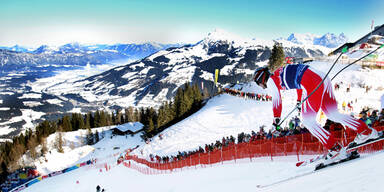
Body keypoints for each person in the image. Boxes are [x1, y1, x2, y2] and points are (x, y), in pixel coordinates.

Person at [253, 64, 379, 165]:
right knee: (333, 114)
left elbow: (276, 100)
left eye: (258, 83)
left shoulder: (270, 81)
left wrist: (276, 121)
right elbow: (297, 81)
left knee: (308, 121)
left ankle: (335, 149)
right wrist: (298, 100)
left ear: (261, 78)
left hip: (311, 83)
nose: (261, 86)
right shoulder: (279, 71)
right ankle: (366, 131)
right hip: (322, 78)